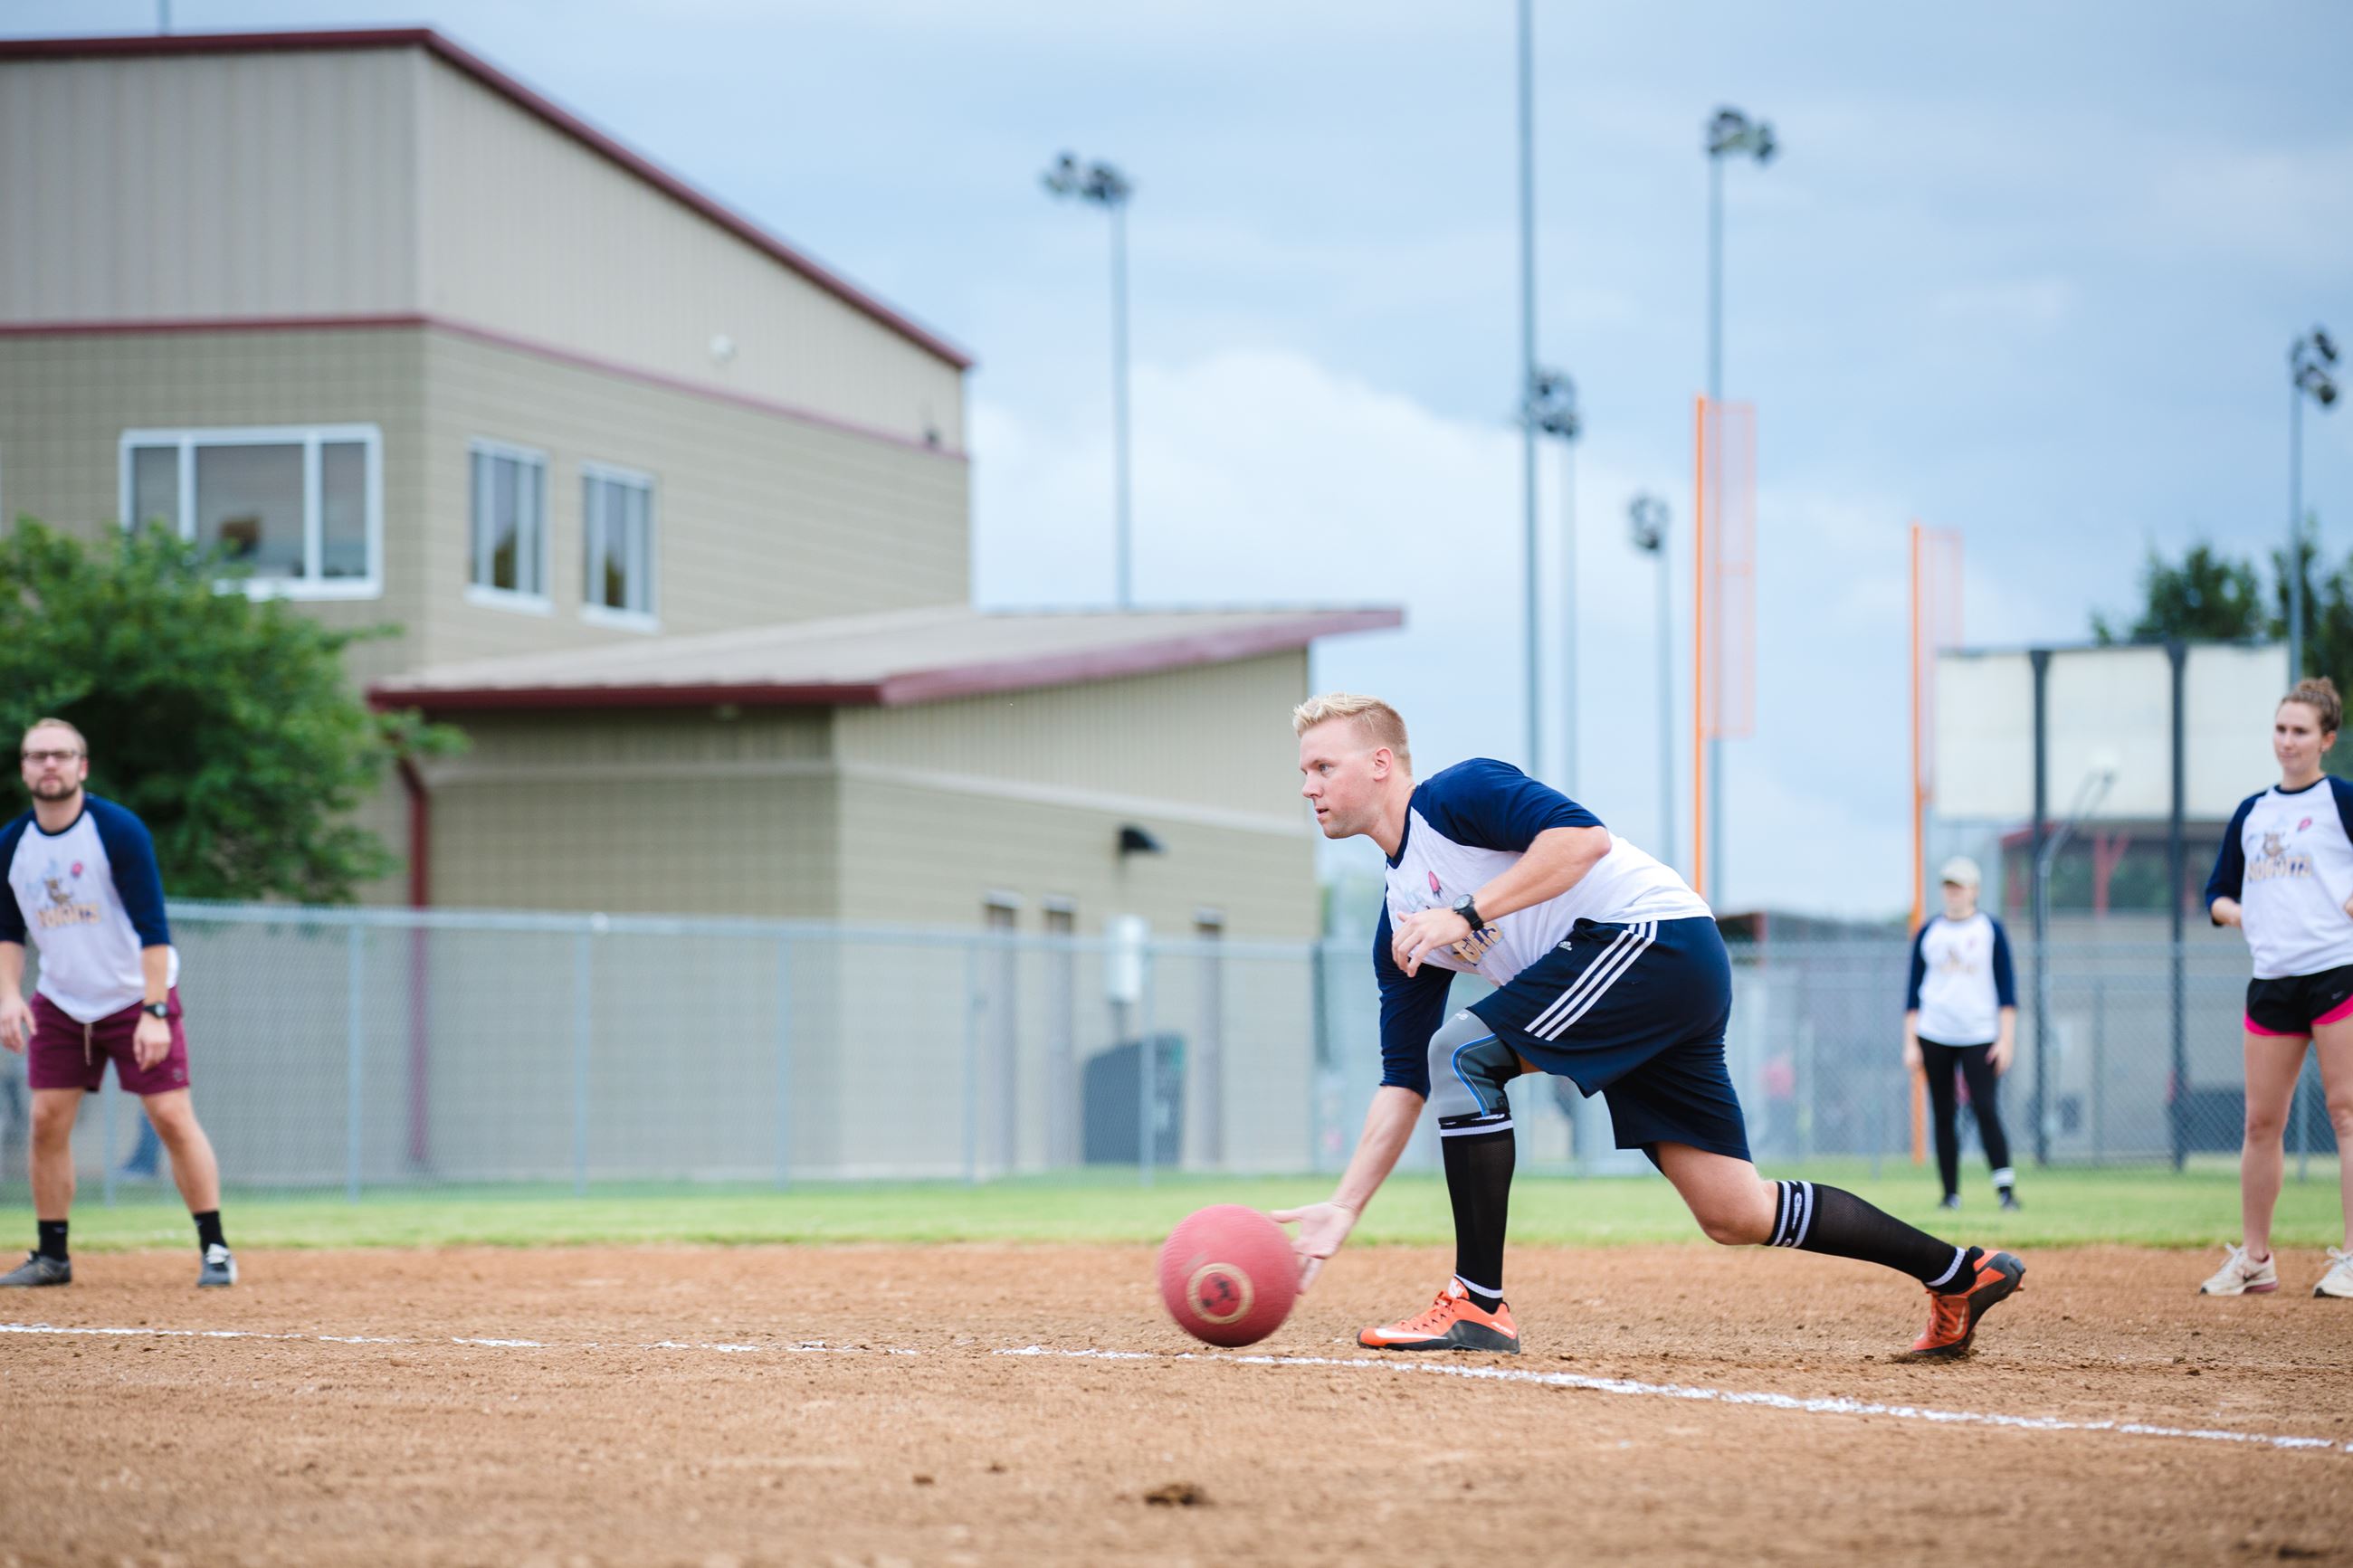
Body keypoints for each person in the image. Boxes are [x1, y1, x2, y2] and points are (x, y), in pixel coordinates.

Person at [1274, 694, 2024, 1358]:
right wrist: (1345, 1204)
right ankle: (1960, 1272)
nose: (1308, 786)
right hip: (1654, 973)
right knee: (1734, 1209)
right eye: (1304, 772)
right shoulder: (1400, 920)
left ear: (1380, 762)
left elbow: (1583, 840)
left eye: (1322, 766)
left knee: (1467, 1052)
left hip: (1648, 939)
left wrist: (1466, 913)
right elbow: (1404, 1081)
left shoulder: (1460, 793)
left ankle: (1478, 1302)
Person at [0, 717, 235, 1288]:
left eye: (61, 755)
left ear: (82, 766)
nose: (49, 765)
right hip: (62, 1000)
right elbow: (9, 932)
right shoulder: (12, 843)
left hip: (135, 994)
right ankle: (52, 1256)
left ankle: (216, 1249)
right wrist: (8, 994)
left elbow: (154, 930)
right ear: (25, 768)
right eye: (37, 756)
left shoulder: (117, 830)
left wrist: (155, 1011)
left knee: (171, 1116)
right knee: (47, 1120)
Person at [2200, 676, 2353, 1299]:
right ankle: (2257, 1258)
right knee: (2261, 1123)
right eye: (2280, 728)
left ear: (2327, 739)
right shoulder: (2252, 810)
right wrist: (2237, 912)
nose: (2287, 741)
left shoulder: (2341, 799)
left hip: (2336, 970)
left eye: (2300, 731)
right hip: (2273, 978)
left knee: (2346, 1113)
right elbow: (2216, 894)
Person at [1903, 856, 2020, 1211]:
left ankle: (2005, 1190)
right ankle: (1950, 1194)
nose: (1953, 892)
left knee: (1985, 1107)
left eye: (1960, 886)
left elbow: (2006, 990)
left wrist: (2006, 1039)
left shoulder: (1989, 930)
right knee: (1943, 1113)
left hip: (1979, 1033)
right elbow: (1912, 993)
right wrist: (1910, 1042)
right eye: (1948, 885)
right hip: (1935, 1032)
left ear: (1974, 890)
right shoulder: (1929, 933)